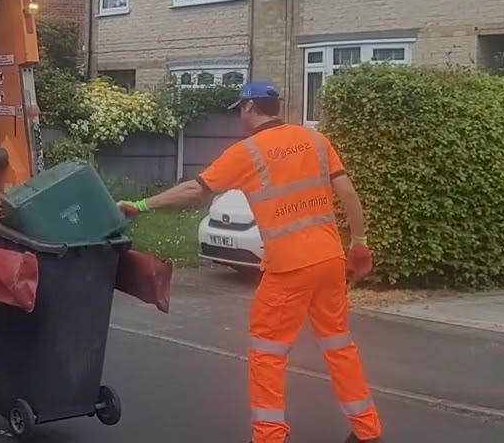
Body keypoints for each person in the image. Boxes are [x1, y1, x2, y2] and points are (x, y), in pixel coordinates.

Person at [120, 81, 380, 443]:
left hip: (288, 268)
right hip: (329, 261)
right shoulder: (315, 140)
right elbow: (348, 193)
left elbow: (195, 190)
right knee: (339, 347)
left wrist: (142, 205)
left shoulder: (247, 152)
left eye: (239, 109)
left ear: (248, 108)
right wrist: (360, 244)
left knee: (268, 353)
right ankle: (368, 431)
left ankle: (269, 436)